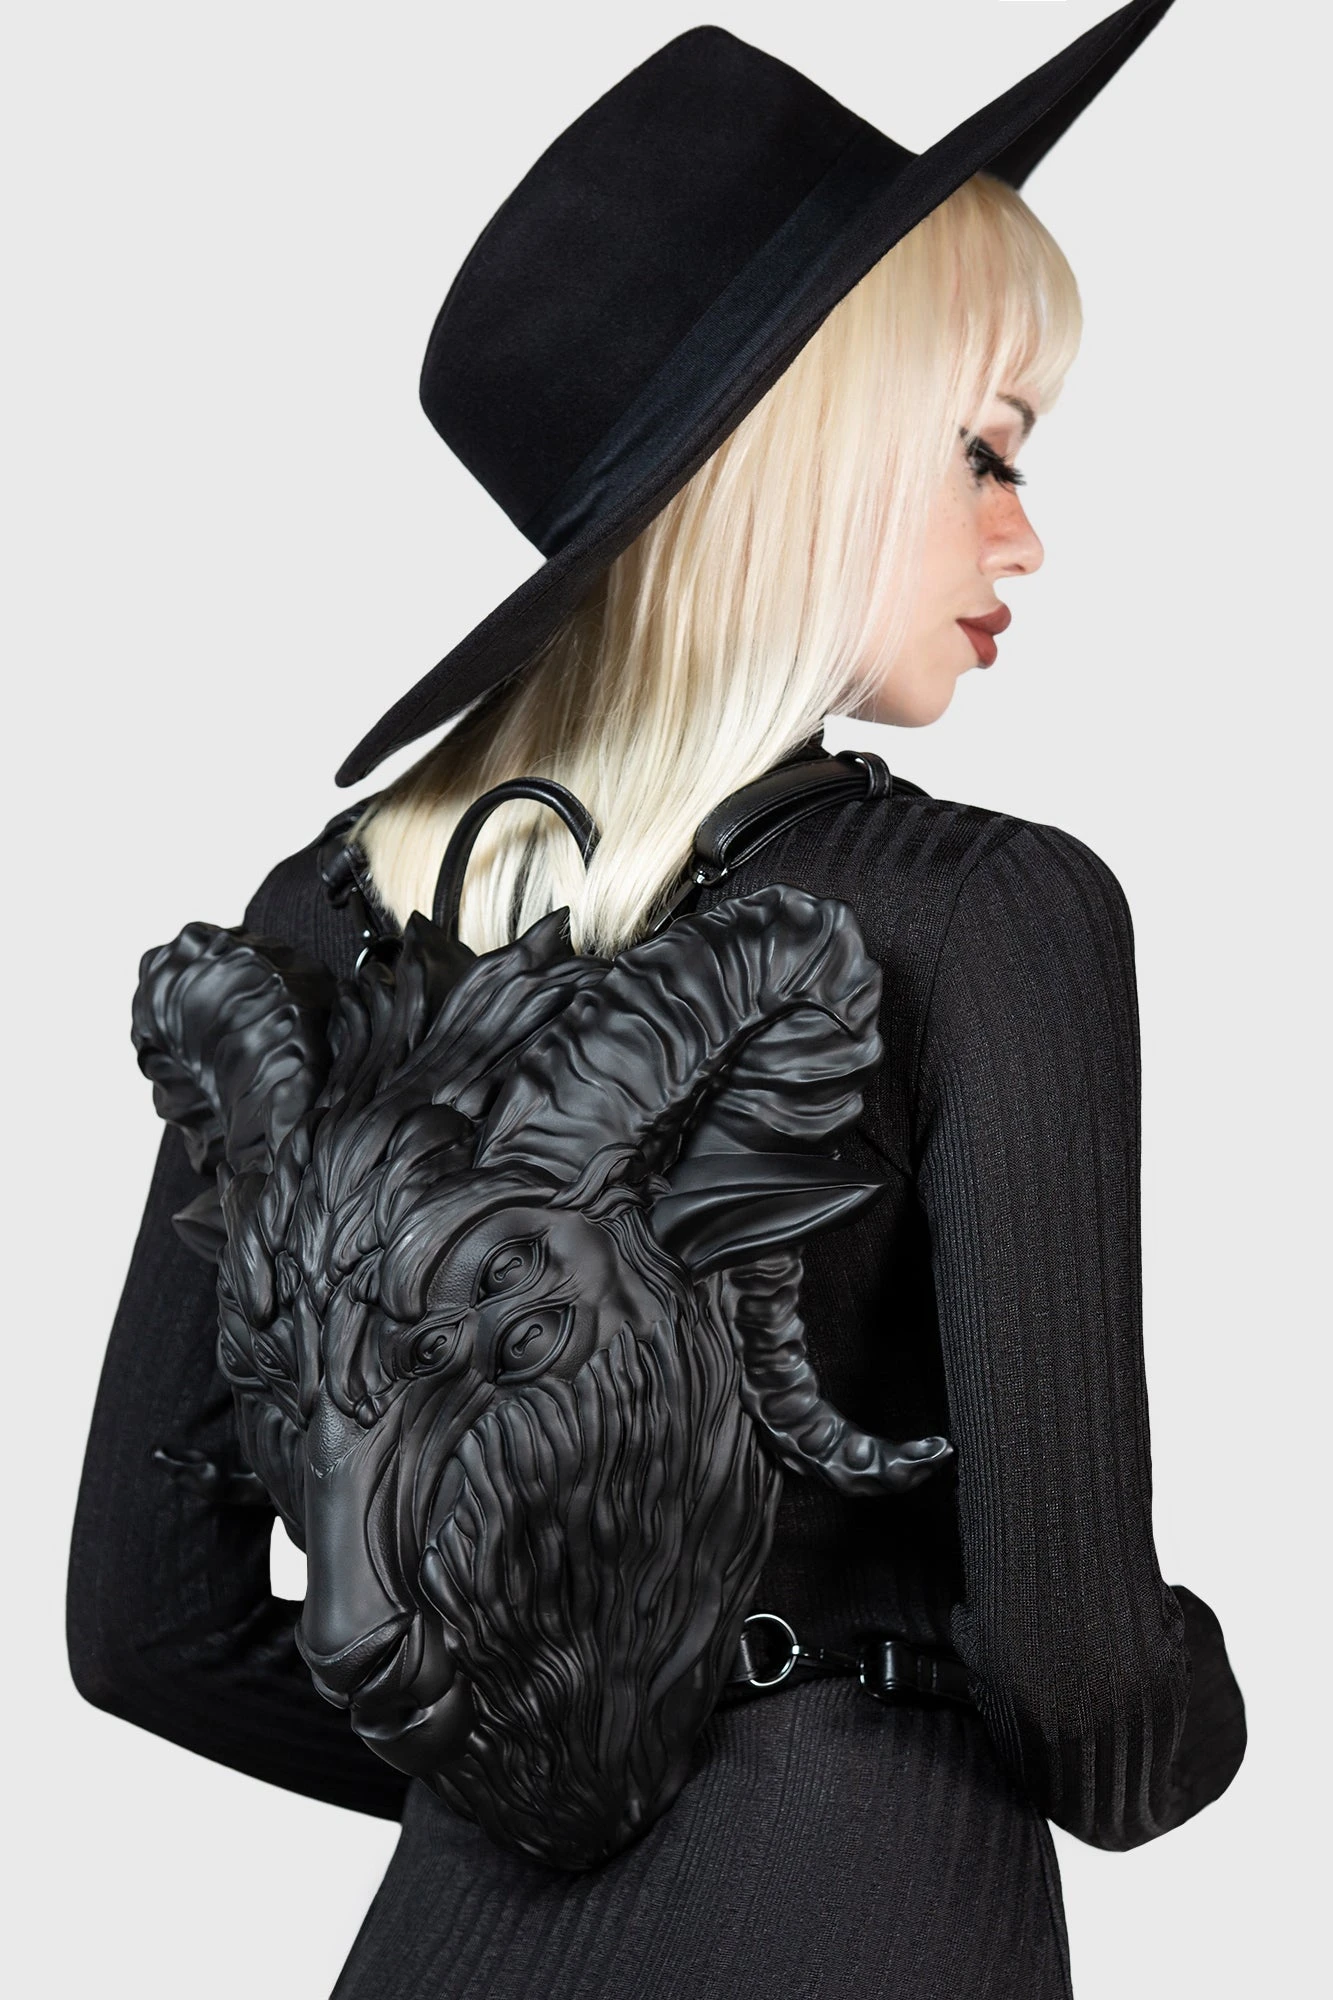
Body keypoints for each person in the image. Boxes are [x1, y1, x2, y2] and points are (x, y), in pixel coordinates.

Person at [68, 7, 1246, 1995]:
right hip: (867, 1911)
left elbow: (150, 1629)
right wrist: (1184, 1712)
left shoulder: (314, 925)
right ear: (807, 454)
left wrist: (529, 1768)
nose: (1025, 533)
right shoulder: (987, 916)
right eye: (984, 450)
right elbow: (1084, 1685)